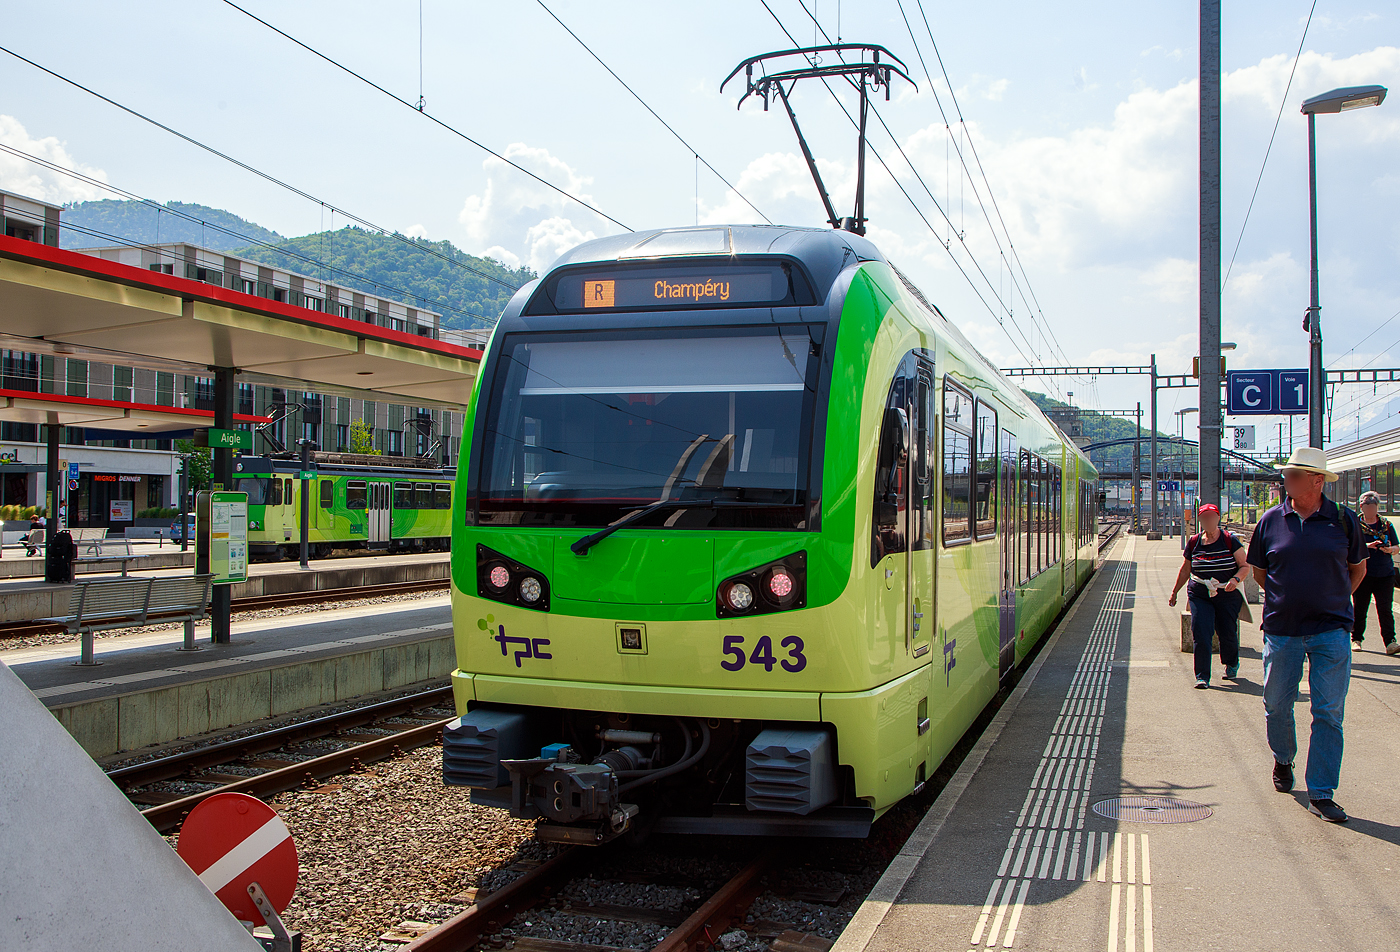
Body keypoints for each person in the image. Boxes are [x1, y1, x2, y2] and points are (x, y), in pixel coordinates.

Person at [1246, 447, 1366, 823]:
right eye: (1287, 475)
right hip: (1283, 631)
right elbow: (1261, 572)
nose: (1286, 480)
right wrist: (1288, 600)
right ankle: (1283, 758)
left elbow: (1358, 569)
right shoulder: (1271, 521)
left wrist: (1332, 600)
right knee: (1277, 705)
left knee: (1328, 713)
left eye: (1294, 475)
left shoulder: (1343, 521)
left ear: (1317, 481)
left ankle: (1322, 792)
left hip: (1331, 631)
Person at [1168, 503, 1249, 688]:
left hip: (1226, 593)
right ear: (1200, 520)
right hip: (1200, 593)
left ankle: (1231, 662)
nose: (1208, 521)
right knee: (1201, 632)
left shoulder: (1230, 540)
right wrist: (1175, 592)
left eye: (1212, 517)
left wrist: (1235, 579)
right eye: (1205, 518)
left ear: (1218, 518)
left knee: (1226, 631)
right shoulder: (1194, 542)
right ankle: (1202, 676)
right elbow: (1186, 569)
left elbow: (1244, 566)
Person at [1352, 489, 1399, 655]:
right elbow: (1349, 546)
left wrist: (1390, 549)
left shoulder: (1386, 524)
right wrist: (1368, 546)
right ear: (1362, 507)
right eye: (1367, 507)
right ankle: (1356, 639)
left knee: (1385, 609)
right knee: (1360, 608)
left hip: (1385, 573)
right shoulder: (1355, 524)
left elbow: (1397, 546)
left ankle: (1390, 642)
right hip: (1362, 572)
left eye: (1373, 507)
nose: (1370, 510)